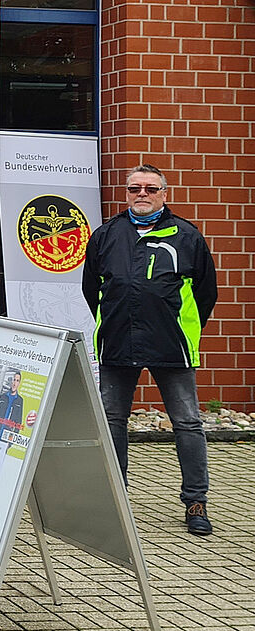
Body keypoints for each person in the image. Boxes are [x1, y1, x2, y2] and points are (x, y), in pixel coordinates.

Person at [82, 163, 218, 536]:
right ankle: (114, 500)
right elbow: (92, 288)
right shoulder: (106, 235)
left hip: (171, 346)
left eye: (150, 188)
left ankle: (196, 501)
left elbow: (206, 293)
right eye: (134, 189)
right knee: (112, 423)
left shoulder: (187, 236)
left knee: (188, 423)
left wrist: (179, 327)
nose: (141, 194)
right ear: (125, 193)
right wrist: (113, 320)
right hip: (118, 343)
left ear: (164, 194)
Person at [0, 370, 24, 441]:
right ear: (10, 381)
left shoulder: (20, 400)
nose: (15, 383)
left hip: (6, 437)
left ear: (19, 383)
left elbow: (18, 422)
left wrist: (11, 441)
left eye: (17, 381)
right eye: (14, 380)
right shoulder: (3, 397)